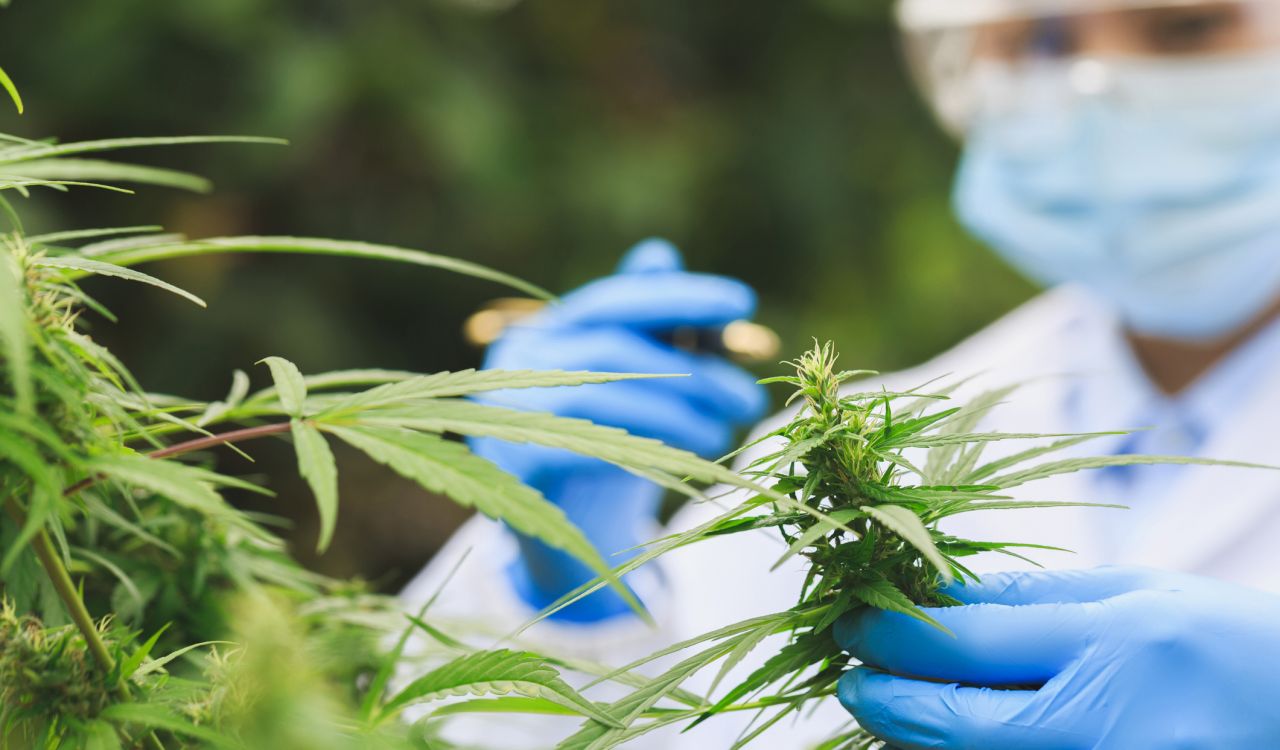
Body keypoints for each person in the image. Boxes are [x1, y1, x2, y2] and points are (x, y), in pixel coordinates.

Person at [401, 0, 1280, 746]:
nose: (1101, 86)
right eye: (1041, 40)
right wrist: (569, 587)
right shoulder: (856, 452)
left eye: (1185, 27)